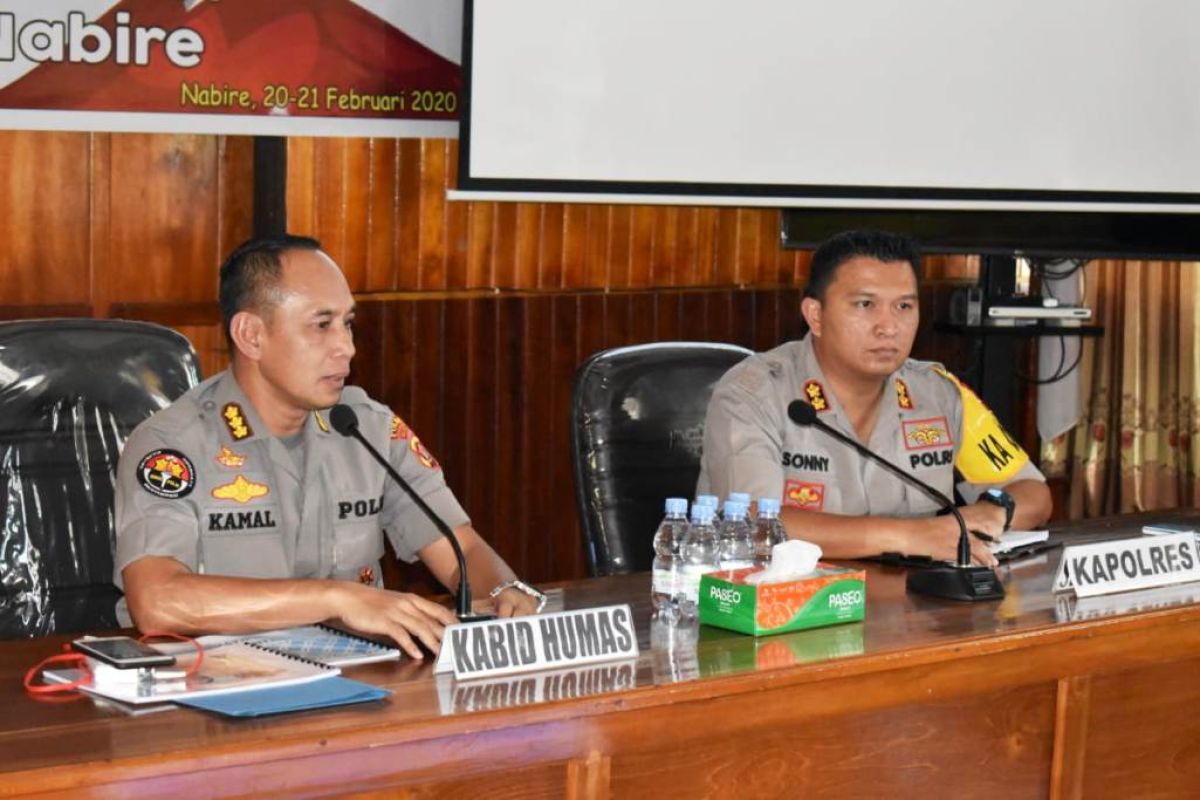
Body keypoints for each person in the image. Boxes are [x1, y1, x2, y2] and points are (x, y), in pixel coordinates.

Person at [114, 234, 544, 659]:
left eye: (348, 323)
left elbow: (461, 549)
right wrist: (338, 599)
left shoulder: (365, 427)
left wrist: (504, 591)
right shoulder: (175, 445)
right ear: (251, 335)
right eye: (322, 325)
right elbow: (157, 602)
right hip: (219, 699)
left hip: (363, 684)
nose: (347, 348)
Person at [697, 229, 1052, 566]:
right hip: (778, 610)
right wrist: (911, 536)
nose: (889, 326)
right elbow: (757, 525)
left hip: (911, 610)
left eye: (904, 307)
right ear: (815, 316)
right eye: (866, 304)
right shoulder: (751, 395)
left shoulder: (938, 394)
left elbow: (1034, 492)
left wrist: (996, 510)